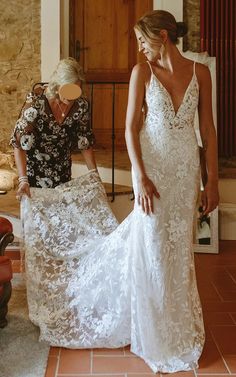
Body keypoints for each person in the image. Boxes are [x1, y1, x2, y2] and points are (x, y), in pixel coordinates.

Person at [19, 10, 219, 374]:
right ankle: (153, 332)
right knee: (155, 247)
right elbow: (129, 130)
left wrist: (213, 182)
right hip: (153, 173)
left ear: (162, 35)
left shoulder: (200, 73)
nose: (140, 49)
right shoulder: (142, 73)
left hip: (185, 173)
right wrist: (139, 176)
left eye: (143, 41)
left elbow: (208, 130)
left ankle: (177, 327)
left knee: (177, 252)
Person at [10, 57, 97, 198]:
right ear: (57, 84)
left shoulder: (81, 106)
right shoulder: (36, 103)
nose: (71, 97)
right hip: (34, 177)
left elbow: (85, 141)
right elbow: (19, 143)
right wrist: (23, 180)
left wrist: (94, 175)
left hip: (63, 175)